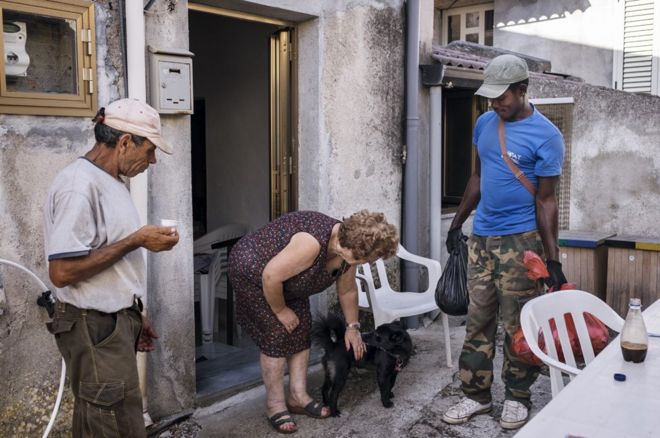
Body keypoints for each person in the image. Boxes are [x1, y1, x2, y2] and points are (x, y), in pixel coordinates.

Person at [441, 54, 567, 430]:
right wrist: (458, 223)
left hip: (520, 242)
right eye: (491, 97)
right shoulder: (484, 123)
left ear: (523, 90)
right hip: (481, 239)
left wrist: (552, 259)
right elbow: (477, 178)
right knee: (477, 321)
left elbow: (546, 200)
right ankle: (475, 395)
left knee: (517, 325)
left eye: (502, 97)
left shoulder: (547, 136)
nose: (495, 103)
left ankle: (517, 397)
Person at [43, 98, 179, 437]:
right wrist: (136, 240)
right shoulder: (79, 185)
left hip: (109, 324)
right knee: (114, 426)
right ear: (124, 142)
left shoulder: (110, 182)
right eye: (149, 151)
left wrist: (133, 315)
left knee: (102, 421)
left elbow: (109, 261)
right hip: (92, 326)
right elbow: (62, 272)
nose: (153, 161)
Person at [228, 210, 398, 434]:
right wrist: (280, 310)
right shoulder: (311, 244)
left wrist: (353, 327)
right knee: (277, 333)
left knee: (301, 328)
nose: (366, 263)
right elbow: (270, 276)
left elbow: (347, 289)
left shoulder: (348, 249)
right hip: (253, 272)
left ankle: (298, 396)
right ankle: (275, 404)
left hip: (285, 279)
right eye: (365, 259)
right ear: (350, 247)